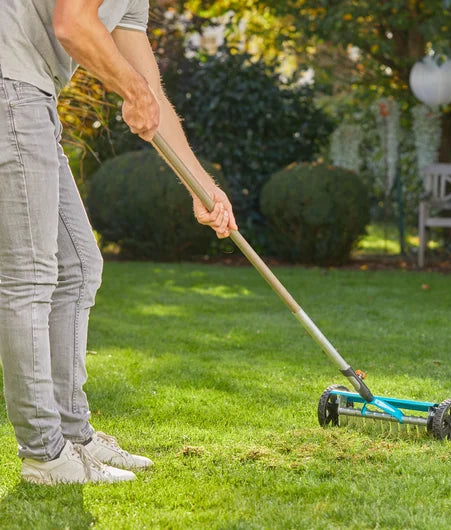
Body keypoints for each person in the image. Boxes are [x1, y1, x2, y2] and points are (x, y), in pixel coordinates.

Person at [0, 0, 238, 485]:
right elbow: (73, 23)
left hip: (31, 96)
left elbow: (150, 89)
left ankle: (73, 435)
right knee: (31, 279)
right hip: (12, 88)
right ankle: (45, 455)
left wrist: (201, 187)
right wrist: (131, 90)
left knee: (78, 267)